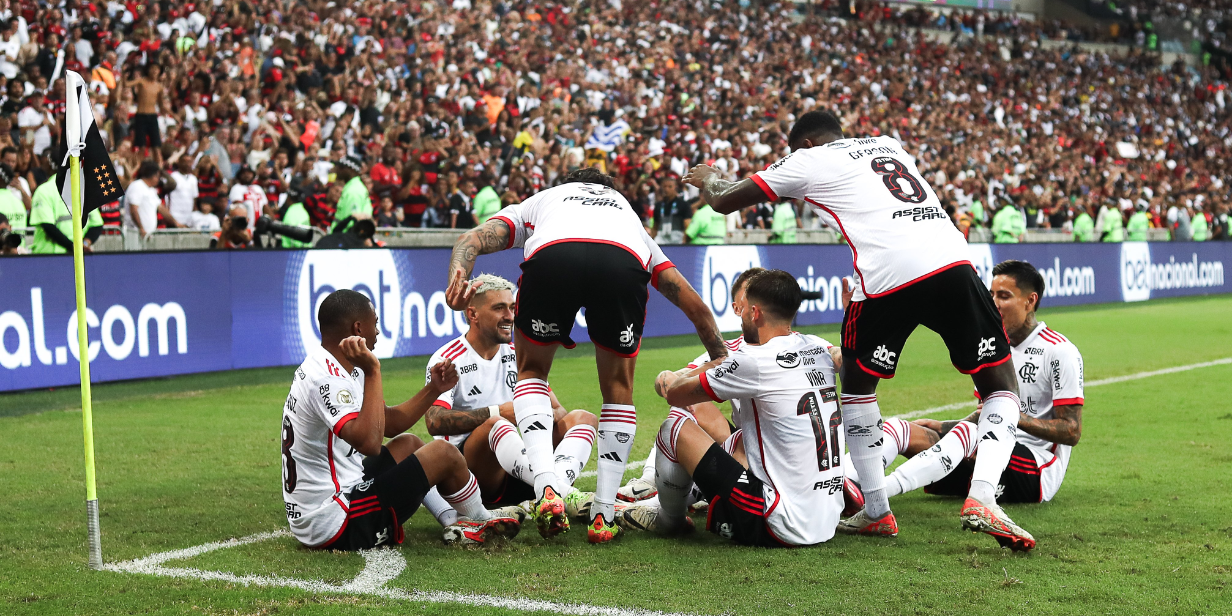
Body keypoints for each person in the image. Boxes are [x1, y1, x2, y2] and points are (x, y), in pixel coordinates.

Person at [682, 110, 1026, 548]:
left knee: (859, 389)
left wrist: (712, 176)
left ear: (804, 144)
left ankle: (878, 511)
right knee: (1000, 386)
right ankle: (983, 496)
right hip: (953, 262)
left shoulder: (809, 158)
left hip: (886, 274)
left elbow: (725, 198)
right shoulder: (888, 143)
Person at [444, 167, 727, 543]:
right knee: (618, 390)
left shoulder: (543, 200)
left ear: (564, 184)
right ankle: (603, 516)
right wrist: (720, 354)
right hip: (620, 262)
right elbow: (690, 300)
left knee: (531, 373)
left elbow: (471, 240)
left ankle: (546, 487)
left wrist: (457, 277)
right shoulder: (626, 215)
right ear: (608, 191)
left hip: (553, 258)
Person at [281, 289, 523, 550]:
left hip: (328, 505)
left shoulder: (335, 364)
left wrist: (434, 389)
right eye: (376, 322)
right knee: (444, 453)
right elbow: (370, 444)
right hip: (334, 521)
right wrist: (373, 370)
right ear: (358, 328)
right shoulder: (327, 378)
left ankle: (453, 519)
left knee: (409, 443)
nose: (379, 331)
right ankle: (480, 519)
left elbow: (390, 423)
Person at [623, 270, 845, 546]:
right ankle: (682, 494)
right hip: (826, 519)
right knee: (743, 438)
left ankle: (668, 519)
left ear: (755, 313)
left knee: (674, 427)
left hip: (781, 523)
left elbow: (676, 395)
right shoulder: (818, 347)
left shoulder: (753, 360)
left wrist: (716, 362)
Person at [891, 261, 1084, 526]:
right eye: (991, 295)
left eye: (1004, 296)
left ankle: (879, 494)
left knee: (965, 441)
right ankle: (855, 487)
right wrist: (945, 426)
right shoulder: (993, 348)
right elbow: (987, 414)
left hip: (1036, 467)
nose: (993, 303)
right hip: (988, 449)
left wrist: (1012, 417)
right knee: (913, 432)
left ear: (1030, 301)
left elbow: (1071, 431)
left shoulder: (1059, 352)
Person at [423, 274, 598, 515]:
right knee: (497, 423)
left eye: (512, 308)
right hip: (476, 475)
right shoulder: (448, 358)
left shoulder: (519, 355)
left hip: (520, 463)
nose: (510, 316)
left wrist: (529, 416)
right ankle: (562, 493)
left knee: (582, 419)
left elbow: (558, 411)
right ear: (473, 314)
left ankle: (547, 493)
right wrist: (497, 412)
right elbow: (433, 421)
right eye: (499, 308)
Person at [29, 172, 102, 254]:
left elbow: (96, 224)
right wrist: (79, 246)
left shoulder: (43, 190)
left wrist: (79, 246)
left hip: (50, 256)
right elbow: (47, 226)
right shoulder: (81, 188)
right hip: (53, 255)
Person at [123, 161, 178, 250]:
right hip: (135, 233)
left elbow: (161, 208)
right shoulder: (137, 186)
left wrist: (176, 223)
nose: (158, 180)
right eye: (158, 176)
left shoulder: (151, 190)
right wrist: (141, 228)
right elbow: (133, 209)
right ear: (154, 175)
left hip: (148, 234)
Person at [332, 156, 371, 233]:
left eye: (341, 167)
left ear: (351, 170)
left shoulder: (353, 191)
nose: (337, 170)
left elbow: (352, 222)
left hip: (345, 239)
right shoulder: (354, 187)